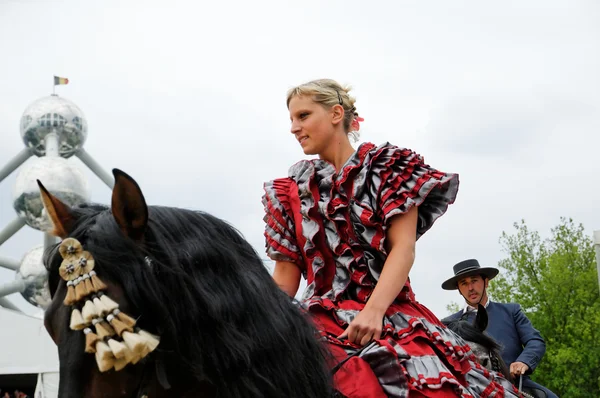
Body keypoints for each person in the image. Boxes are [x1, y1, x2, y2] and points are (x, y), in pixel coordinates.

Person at [262, 78, 520, 397]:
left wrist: (373, 311)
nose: (293, 127)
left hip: (389, 317)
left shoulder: (389, 169)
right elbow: (285, 281)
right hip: (315, 322)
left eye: (303, 116)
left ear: (335, 113)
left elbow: (403, 249)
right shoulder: (288, 192)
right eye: (290, 119)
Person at [441, 259, 558, 397]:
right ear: (459, 290)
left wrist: (523, 361)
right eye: (464, 284)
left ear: (486, 282)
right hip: (471, 390)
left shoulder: (511, 311)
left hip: (515, 384)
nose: (470, 288)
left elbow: (535, 340)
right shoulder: (449, 324)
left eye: (474, 281)